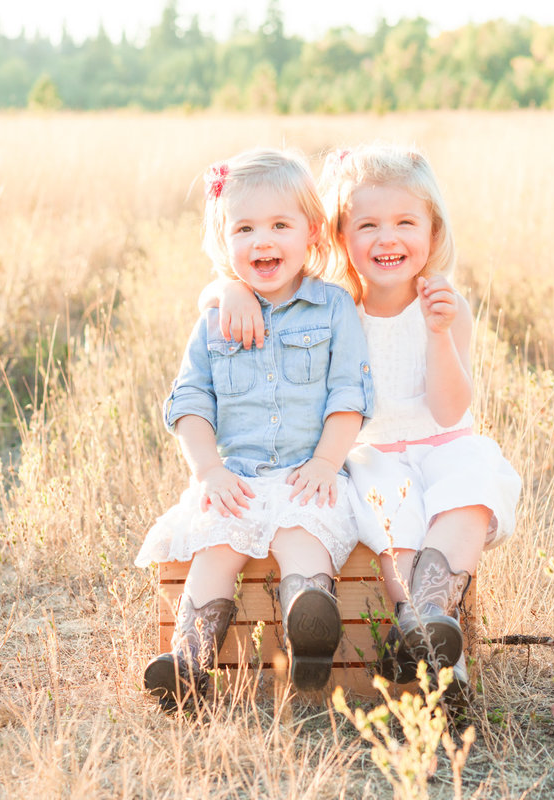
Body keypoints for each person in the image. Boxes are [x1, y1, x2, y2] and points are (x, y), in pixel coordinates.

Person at [208, 144, 521, 704]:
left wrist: (439, 333)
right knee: (392, 520)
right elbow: (247, 289)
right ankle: (435, 659)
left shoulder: (446, 306)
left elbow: (450, 410)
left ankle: (425, 618)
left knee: (470, 494)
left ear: (433, 230)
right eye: (368, 225)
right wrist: (228, 289)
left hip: (446, 442)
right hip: (374, 454)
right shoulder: (333, 307)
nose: (387, 238)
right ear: (338, 235)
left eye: (405, 222)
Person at [136, 147, 373, 711]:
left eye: (279, 225)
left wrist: (323, 464)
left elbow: (350, 394)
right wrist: (209, 471)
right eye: (245, 228)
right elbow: (191, 401)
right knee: (216, 547)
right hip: (236, 476)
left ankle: (308, 630)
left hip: (304, 472)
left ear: (312, 233)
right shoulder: (215, 319)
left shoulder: (333, 308)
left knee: (304, 532)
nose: (262, 241)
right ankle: (189, 661)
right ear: (224, 240)